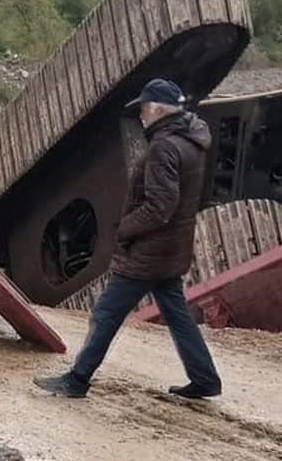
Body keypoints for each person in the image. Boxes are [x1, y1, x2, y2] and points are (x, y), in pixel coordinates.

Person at [35, 78, 223, 400]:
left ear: (156, 109)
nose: (140, 117)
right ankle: (205, 379)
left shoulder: (163, 147)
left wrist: (124, 228)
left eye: (142, 110)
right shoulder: (192, 140)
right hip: (172, 249)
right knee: (178, 316)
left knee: (106, 314)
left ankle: (77, 380)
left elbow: (160, 207)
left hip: (147, 253)